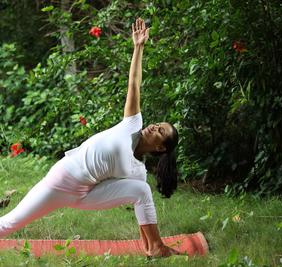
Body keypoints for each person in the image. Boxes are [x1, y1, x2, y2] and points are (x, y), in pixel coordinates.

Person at [0, 18, 179, 257]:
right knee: (9, 224)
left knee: (142, 190)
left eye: (161, 131)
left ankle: (154, 247)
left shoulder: (138, 172)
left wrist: (146, 237)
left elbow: (140, 206)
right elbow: (134, 84)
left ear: (159, 148)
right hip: (61, 182)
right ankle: (154, 247)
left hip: (86, 194)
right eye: (158, 124)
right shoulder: (132, 125)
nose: (155, 127)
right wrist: (138, 47)